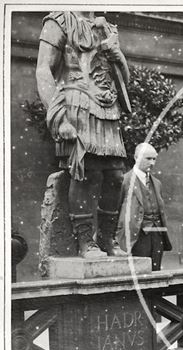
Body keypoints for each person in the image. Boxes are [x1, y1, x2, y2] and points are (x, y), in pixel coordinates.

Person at [36, 11, 130, 258]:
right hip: (76, 103)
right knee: (85, 173)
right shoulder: (58, 20)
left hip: (109, 109)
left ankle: (108, 238)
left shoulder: (109, 28)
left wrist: (117, 56)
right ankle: (85, 241)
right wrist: (58, 117)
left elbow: (123, 81)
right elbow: (43, 69)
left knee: (116, 177)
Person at [116, 143, 172, 271]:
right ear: (136, 157)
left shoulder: (157, 183)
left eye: (154, 159)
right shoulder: (124, 181)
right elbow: (115, 211)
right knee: (138, 274)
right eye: (148, 159)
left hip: (157, 235)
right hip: (137, 236)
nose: (152, 163)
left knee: (155, 272)